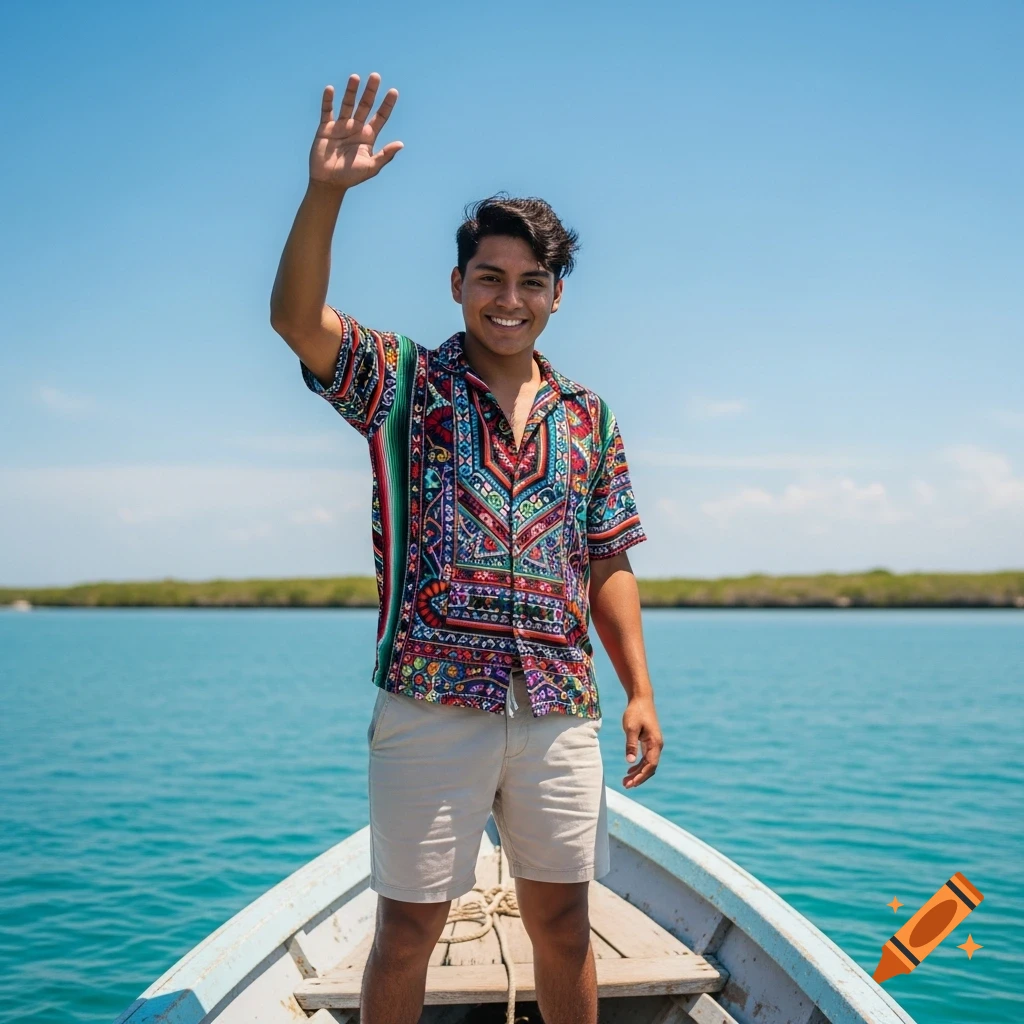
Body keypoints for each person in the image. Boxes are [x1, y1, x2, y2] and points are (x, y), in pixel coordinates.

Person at [270, 71, 664, 1024]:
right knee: (408, 929)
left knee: (565, 924)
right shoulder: (402, 383)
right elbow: (294, 318)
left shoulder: (591, 417)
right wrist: (326, 192)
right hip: (431, 698)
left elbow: (607, 556)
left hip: (559, 701)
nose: (508, 298)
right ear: (458, 284)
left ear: (555, 296)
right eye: (489, 277)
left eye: (531, 282)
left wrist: (640, 688)